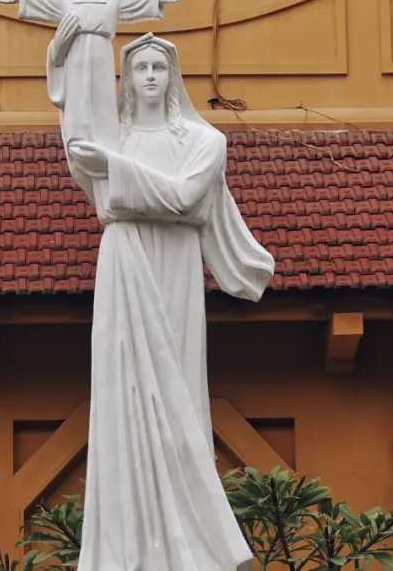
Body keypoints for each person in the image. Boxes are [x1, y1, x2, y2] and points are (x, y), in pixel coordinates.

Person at [67, 33, 273, 571]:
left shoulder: (204, 142)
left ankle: (191, 546)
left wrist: (115, 167)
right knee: (120, 388)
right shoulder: (114, 137)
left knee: (176, 382)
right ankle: (122, 550)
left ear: (173, 75)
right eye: (141, 68)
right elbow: (102, 191)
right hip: (124, 260)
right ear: (128, 80)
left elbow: (186, 199)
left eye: (160, 66)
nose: (152, 75)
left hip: (175, 264)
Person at [0, 0, 184, 203]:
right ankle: (83, 152)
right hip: (75, 62)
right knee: (78, 110)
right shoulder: (66, 1)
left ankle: (107, 157)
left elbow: (134, 0)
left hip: (101, 63)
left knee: (103, 109)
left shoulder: (112, 1)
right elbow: (43, 0)